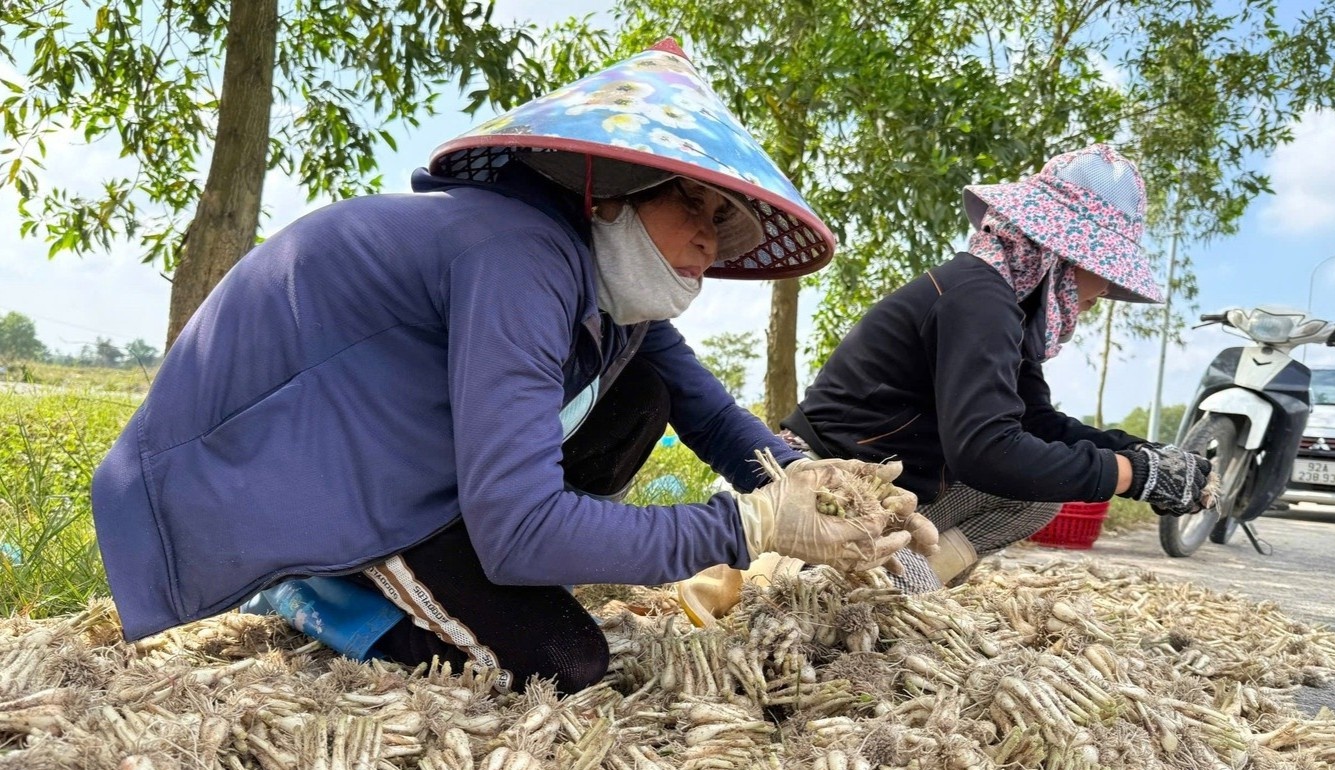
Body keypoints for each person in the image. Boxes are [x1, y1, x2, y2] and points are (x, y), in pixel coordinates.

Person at [91, 40, 929, 694]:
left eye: (723, 216)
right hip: (268, 478)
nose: (711, 237)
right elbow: (519, 527)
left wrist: (829, 486)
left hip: (386, 452)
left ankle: (446, 561)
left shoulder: (603, 286)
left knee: (644, 392)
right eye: (691, 203)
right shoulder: (517, 255)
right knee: (560, 664)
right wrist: (750, 528)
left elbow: (711, 417)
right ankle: (320, 578)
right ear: (609, 189)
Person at [780, 143, 1214, 592]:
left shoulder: (1002, 304)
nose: (1102, 289)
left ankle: (910, 579)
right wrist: (1131, 476)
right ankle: (880, 583)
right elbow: (986, 451)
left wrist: (1143, 454)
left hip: (885, 489)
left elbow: (1036, 423)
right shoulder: (979, 301)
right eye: (1100, 268)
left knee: (1041, 490)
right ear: (1058, 255)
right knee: (1022, 480)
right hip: (825, 487)